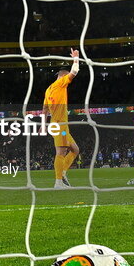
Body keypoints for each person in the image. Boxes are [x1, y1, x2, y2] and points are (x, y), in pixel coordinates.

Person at [44, 49, 80, 189]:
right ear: (63, 77)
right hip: (60, 126)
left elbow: (45, 109)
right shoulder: (60, 84)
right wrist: (76, 58)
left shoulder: (48, 89)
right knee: (61, 152)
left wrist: (43, 124)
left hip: (59, 127)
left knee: (75, 149)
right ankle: (58, 182)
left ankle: (62, 172)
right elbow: (74, 72)